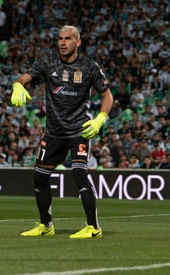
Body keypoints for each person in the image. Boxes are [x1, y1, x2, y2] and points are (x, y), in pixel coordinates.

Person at [11, 25, 113, 238]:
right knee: (39, 178)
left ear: (78, 42)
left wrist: (100, 119)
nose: (63, 43)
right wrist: (18, 86)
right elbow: (24, 78)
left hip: (79, 131)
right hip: (54, 133)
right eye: (60, 38)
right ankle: (46, 226)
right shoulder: (48, 62)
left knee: (79, 173)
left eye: (67, 39)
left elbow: (107, 96)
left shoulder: (89, 67)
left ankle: (94, 227)